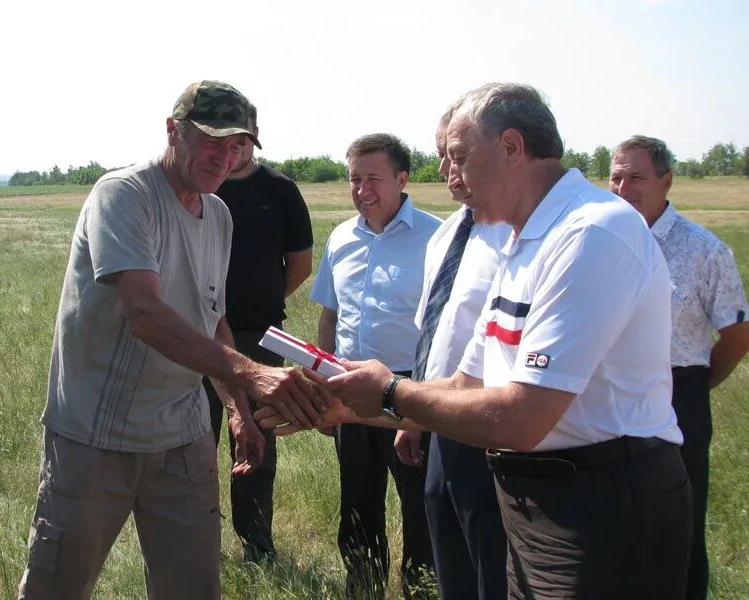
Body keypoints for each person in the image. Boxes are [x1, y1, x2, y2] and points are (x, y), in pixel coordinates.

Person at [261, 83, 693, 599]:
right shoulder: (520, 239)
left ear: (512, 148)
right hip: (537, 496)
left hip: (602, 502)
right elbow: (467, 383)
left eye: (460, 157)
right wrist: (348, 406)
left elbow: (524, 418)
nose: (448, 174)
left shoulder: (590, 233)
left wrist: (388, 394)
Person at [18, 80, 327, 600]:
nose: (224, 157)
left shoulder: (219, 215)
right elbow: (145, 314)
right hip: (99, 434)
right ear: (172, 131)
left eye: (237, 146)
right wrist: (253, 374)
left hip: (183, 436)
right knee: (58, 585)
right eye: (213, 140)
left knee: (192, 585)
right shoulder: (125, 195)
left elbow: (214, 319)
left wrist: (236, 410)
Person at [609, 135, 749, 600]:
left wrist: (698, 384)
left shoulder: (704, 249)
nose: (624, 187)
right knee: (616, 518)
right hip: (610, 395)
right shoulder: (600, 240)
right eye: (616, 176)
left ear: (667, 181)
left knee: (678, 520)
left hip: (678, 394)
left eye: (637, 177)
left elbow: (737, 333)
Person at [310, 133, 440, 599]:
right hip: (348, 391)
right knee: (358, 504)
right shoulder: (341, 238)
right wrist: (325, 386)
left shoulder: (436, 237)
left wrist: (423, 409)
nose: (362, 189)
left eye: (373, 179)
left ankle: (421, 590)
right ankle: (362, 587)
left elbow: (443, 332)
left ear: (403, 179)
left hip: (409, 389)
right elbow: (330, 316)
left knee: (419, 505)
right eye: (354, 179)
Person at [203, 102, 314, 563]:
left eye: (243, 138)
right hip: (199, 337)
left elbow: (301, 265)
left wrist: (262, 302)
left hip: (261, 338)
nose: (235, 149)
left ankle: (257, 546)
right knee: (194, 440)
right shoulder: (202, 188)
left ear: (254, 135)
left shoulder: (281, 191)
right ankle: (198, 543)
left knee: (255, 442)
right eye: (225, 141)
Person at [407, 107, 510, 600]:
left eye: (458, 158)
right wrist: (413, 414)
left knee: (491, 554)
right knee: (448, 551)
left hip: (491, 422)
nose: (449, 172)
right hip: (440, 419)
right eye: (442, 158)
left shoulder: (517, 235)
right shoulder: (446, 233)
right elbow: (433, 332)